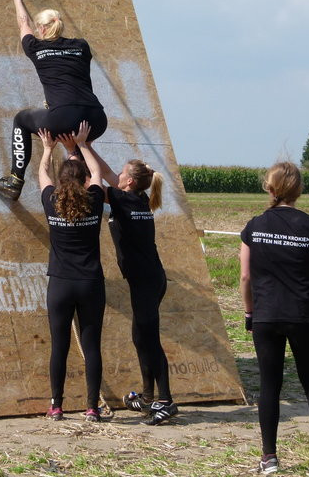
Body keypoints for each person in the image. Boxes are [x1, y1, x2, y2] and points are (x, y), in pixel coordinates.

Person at [240, 162, 309, 474]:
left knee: (269, 386)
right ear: (299, 190)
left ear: (270, 189)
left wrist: (250, 313)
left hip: (265, 317)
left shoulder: (254, 226)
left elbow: (245, 277)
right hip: (302, 316)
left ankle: (269, 458)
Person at [64, 135, 177, 425]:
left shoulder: (124, 199)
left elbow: (96, 179)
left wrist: (76, 150)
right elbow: (110, 175)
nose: (119, 174)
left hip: (147, 282)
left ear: (128, 182)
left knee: (150, 339)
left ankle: (166, 401)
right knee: (140, 337)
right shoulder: (135, 197)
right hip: (149, 278)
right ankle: (149, 397)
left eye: (123, 173)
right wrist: (84, 146)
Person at [0, 0, 107, 201]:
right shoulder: (81, 45)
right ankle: (86, 187)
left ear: (41, 29)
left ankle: (15, 180)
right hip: (97, 119)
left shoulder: (35, 47)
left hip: (64, 117)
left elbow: (23, 22)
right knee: (80, 145)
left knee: (21, 119)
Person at [38, 122, 106, 422]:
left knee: (59, 346)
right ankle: (92, 407)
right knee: (91, 346)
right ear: (85, 179)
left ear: (61, 180)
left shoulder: (52, 201)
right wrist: (82, 145)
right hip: (90, 283)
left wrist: (47, 149)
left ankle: (56, 405)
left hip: (60, 284)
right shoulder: (94, 200)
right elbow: (99, 175)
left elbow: (42, 175)